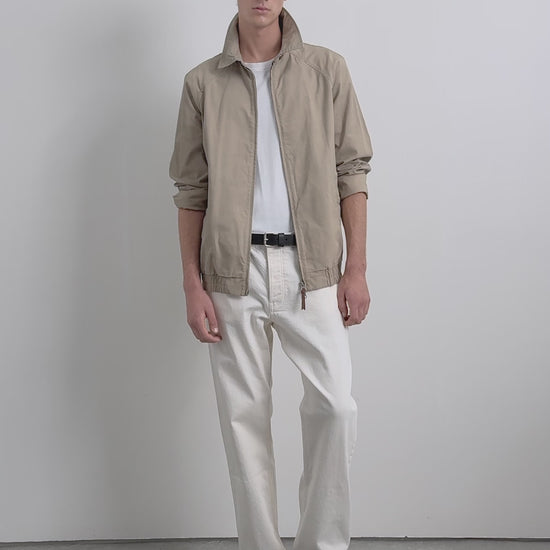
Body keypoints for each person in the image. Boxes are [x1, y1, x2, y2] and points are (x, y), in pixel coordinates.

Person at [169, 1, 373, 549]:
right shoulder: (201, 83)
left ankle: (320, 544)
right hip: (230, 272)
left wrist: (356, 267)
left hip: (313, 269)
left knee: (335, 408)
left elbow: (352, 171)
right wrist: (192, 284)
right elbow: (190, 189)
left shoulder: (327, 70)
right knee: (244, 424)